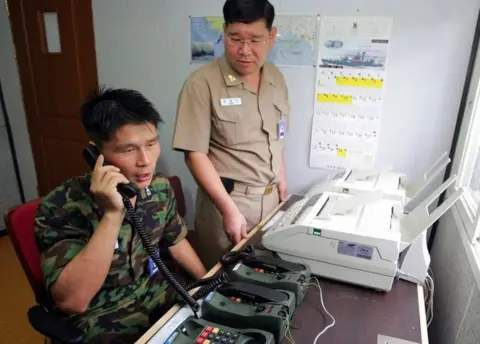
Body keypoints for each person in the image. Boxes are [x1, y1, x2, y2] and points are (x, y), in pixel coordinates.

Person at [34, 88, 207, 343]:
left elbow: (175, 240)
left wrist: (207, 285)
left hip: (159, 297)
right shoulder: (61, 206)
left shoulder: (159, 188)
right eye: (128, 150)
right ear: (95, 154)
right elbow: (73, 301)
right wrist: (113, 214)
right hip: (101, 318)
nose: (146, 161)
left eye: (151, 144)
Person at [172, 0, 290, 270]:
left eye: (256, 40)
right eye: (235, 39)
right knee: (224, 288)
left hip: (271, 202)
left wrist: (282, 180)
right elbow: (194, 154)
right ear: (224, 33)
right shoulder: (201, 84)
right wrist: (228, 210)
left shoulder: (275, 77)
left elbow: (276, 138)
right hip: (228, 206)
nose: (245, 51)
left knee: (266, 282)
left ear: (271, 37)